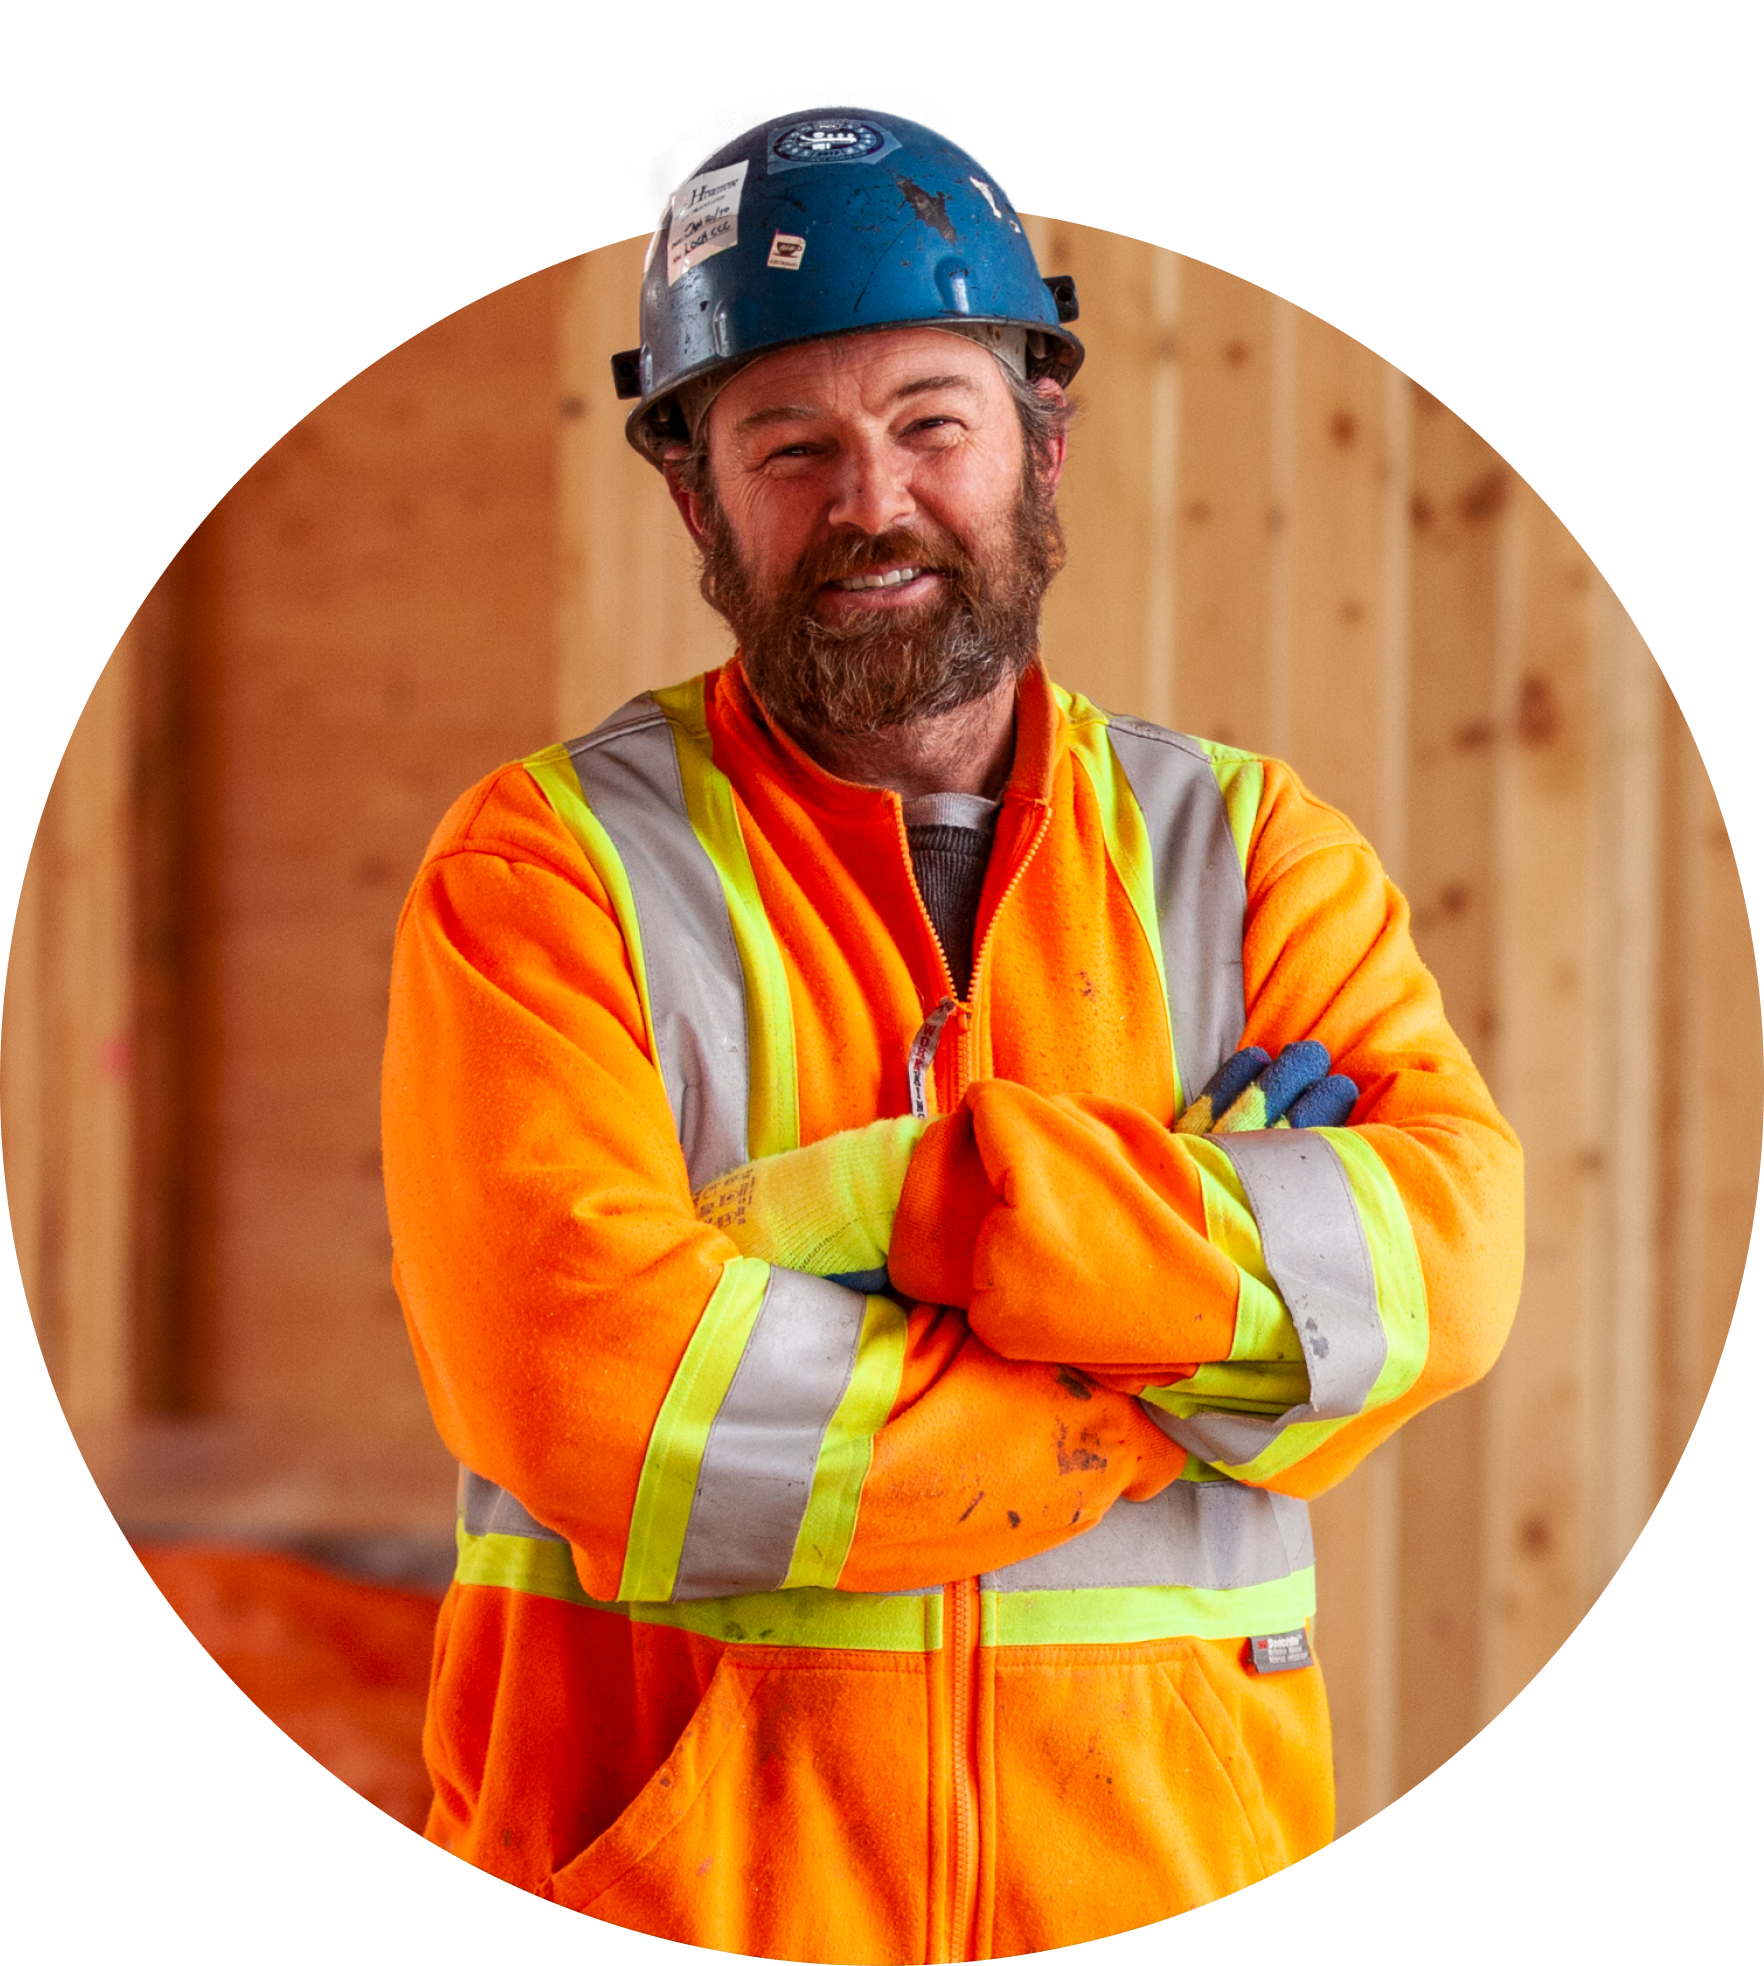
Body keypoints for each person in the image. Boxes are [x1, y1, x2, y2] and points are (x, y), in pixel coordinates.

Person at [381, 96, 1523, 1960]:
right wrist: (1163, 1344)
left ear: (1039, 442)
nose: (873, 499)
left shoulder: (1248, 854)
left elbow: (1439, 1272)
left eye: (932, 422)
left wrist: (924, 1210)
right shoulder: (546, 868)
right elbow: (604, 1403)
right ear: (693, 494)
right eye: (788, 445)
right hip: (682, 1904)